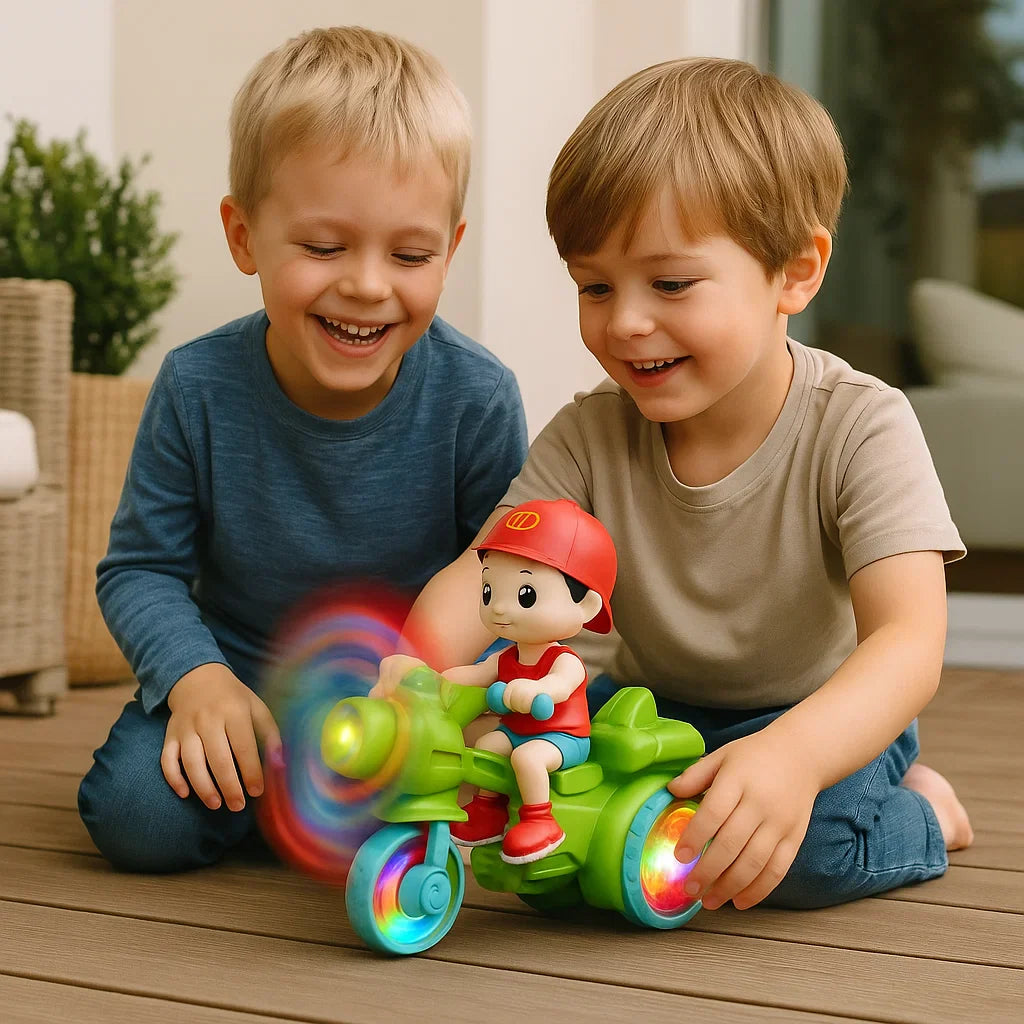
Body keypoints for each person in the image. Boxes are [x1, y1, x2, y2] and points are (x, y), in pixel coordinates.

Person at [381, 57, 974, 911]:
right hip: (642, 711)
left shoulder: (860, 426)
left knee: (791, 855)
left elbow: (908, 646)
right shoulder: (589, 433)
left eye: (670, 282)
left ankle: (920, 808)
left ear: (796, 273)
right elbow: (484, 579)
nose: (625, 321)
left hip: (810, 719)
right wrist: (412, 676)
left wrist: (798, 757)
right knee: (526, 805)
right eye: (594, 285)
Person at [77, 26, 528, 873]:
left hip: (400, 698)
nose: (366, 284)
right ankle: (301, 804)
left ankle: (320, 807)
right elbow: (138, 570)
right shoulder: (196, 385)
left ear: (450, 252)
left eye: (411, 254)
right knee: (136, 813)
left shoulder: (478, 396)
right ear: (244, 236)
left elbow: (506, 580)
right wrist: (195, 682)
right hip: (237, 682)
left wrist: (456, 707)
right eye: (324, 247)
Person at [438, 499, 616, 864]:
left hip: (562, 739)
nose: (499, 608)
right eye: (489, 592)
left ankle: (541, 821)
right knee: (486, 744)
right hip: (516, 730)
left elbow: (559, 687)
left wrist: (536, 690)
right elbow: (474, 674)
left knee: (528, 758)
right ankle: (489, 811)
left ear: (586, 607)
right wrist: (431, 677)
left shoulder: (563, 660)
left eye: (525, 595)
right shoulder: (506, 657)